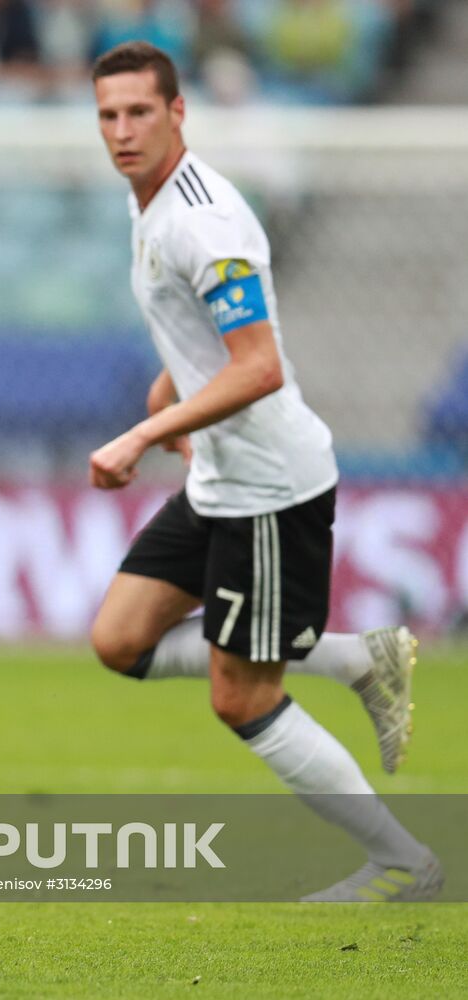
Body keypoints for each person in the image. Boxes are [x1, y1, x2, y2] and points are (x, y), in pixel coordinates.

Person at [85, 41, 440, 902]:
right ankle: (362, 658)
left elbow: (259, 365)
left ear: (178, 113)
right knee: (121, 640)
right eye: (108, 115)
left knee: (241, 696)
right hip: (220, 481)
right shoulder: (153, 202)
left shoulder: (200, 223)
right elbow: (210, 342)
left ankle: (405, 864)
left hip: (271, 490)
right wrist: (175, 380)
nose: (123, 131)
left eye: (140, 112)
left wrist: (145, 430)